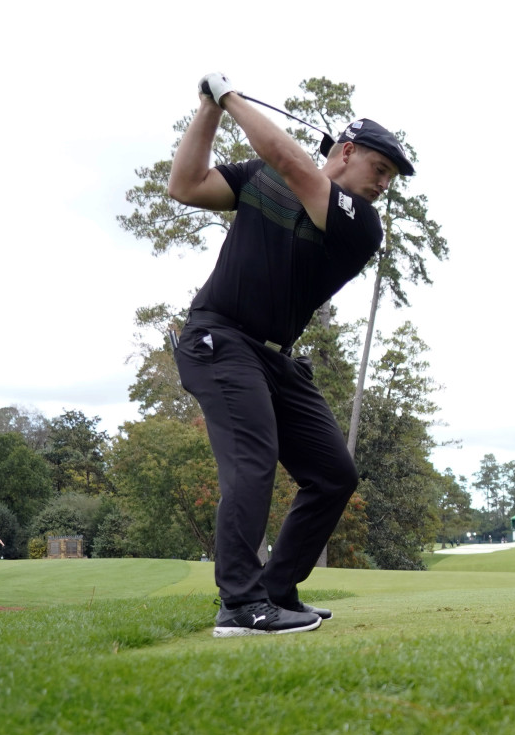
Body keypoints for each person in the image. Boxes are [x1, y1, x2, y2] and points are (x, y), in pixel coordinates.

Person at [169, 72, 414, 638]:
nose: (383, 184)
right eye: (379, 169)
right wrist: (208, 108)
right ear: (347, 152)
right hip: (219, 340)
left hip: (274, 359)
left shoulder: (360, 222)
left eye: (390, 178)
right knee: (253, 462)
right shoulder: (261, 180)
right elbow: (186, 185)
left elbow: (290, 160)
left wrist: (229, 97)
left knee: (333, 473)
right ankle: (240, 604)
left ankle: (277, 589)